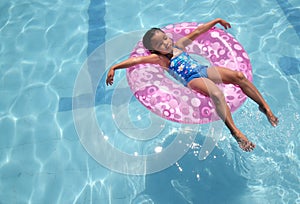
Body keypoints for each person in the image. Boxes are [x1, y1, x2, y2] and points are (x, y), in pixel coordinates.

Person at [106, 18, 278, 152]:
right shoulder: (159, 58)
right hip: (192, 79)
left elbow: (198, 31)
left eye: (165, 38)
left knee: (238, 76)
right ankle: (235, 132)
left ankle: (264, 107)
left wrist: (216, 21)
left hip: (203, 69)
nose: (166, 43)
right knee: (217, 94)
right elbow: (137, 60)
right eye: (160, 44)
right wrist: (114, 67)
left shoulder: (178, 45)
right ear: (154, 50)